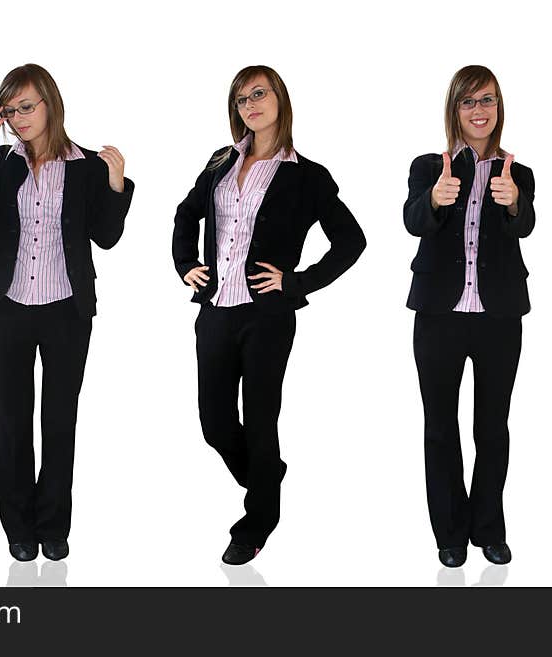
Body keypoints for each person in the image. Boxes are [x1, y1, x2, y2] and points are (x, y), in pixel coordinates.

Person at [172, 65, 366, 565]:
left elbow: (352, 241)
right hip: (215, 310)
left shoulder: (307, 175)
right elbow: (185, 213)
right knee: (214, 422)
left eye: (258, 93)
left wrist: (297, 282)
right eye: (240, 99)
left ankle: (257, 521)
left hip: (267, 317)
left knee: (260, 421)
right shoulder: (220, 161)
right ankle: (266, 477)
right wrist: (186, 264)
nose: (249, 104)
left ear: (280, 97)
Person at [0, 63, 134, 562]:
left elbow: (106, 236)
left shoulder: (87, 165)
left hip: (67, 312)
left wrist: (116, 186)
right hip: (8, 307)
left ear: (51, 103)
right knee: (13, 420)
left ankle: (53, 525)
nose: (18, 118)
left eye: (26, 107)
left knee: (59, 421)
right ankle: (17, 525)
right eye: (10, 110)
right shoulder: (3, 162)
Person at [404, 65, 534, 568]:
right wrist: (434, 200)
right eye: (469, 101)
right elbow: (413, 218)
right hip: (438, 314)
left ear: (498, 109)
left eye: (488, 101)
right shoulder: (427, 166)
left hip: (500, 316)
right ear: (454, 109)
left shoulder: (518, 173)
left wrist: (515, 203)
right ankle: (450, 534)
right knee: (440, 427)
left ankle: (489, 528)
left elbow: (526, 225)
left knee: (492, 427)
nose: (480, 110)